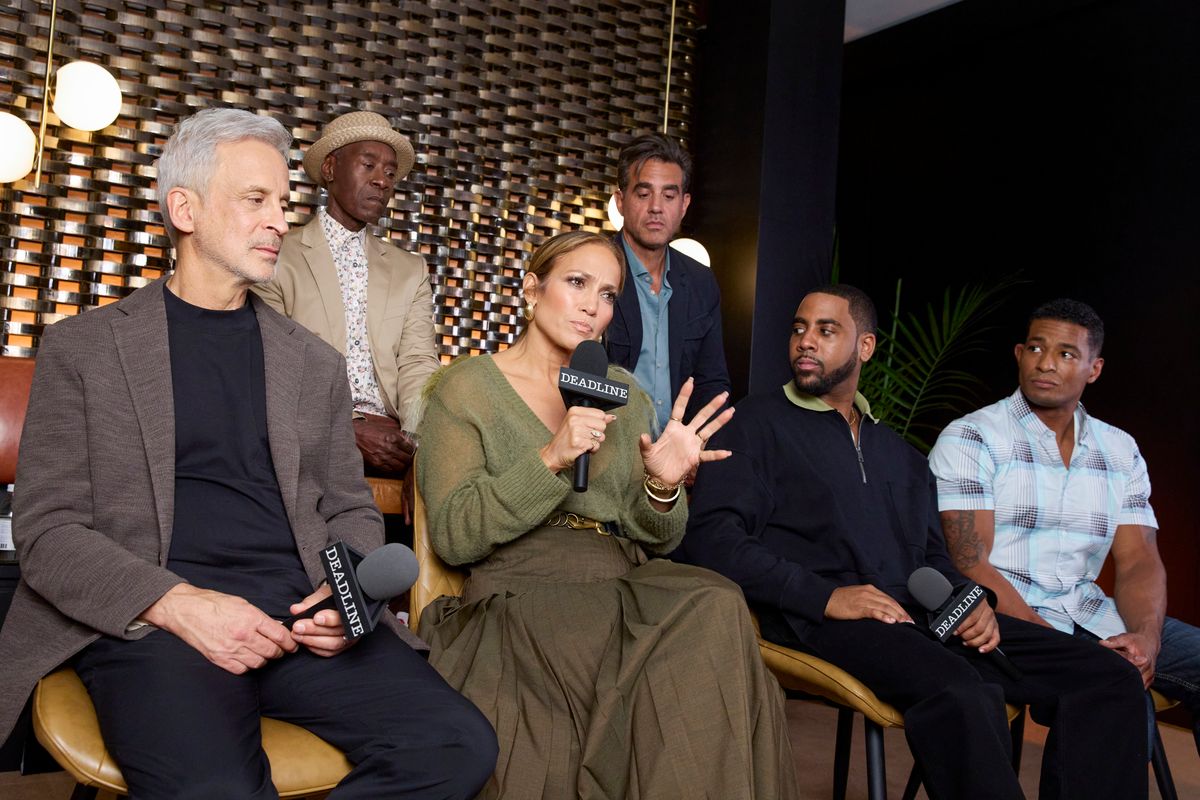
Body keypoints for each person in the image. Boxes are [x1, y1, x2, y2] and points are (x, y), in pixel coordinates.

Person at [0, 108, 496, 799]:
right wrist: (179, 604)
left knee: (459, 745)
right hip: (158, 624)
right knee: (216, 788)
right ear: (185, 209)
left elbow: (351, 509)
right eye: (255, 200)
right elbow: (48, 533)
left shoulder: (311, 363)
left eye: (283, 203)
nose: (277, 220)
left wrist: (343, 602)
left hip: (299, 619)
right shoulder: (85, 349)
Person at [677, 284, 1149, 799]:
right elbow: (713, 540)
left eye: (826, 330)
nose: (805, 342)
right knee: (966, 692)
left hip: (921, 616)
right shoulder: (750, 425)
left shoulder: (897, 454)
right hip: (818, 617)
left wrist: (972, 604)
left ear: (865, 347)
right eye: (798, 329)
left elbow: (932, 558)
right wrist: (829, 597)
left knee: (1106, 678)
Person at [415, 230, 799, 799]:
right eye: (577, 283)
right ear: (530, 289)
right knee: (617, 661)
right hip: (523, 588)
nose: (594, 305)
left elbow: (657, 537)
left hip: (620, 576)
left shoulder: (626, 393)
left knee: (718, 603)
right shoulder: (466, 389)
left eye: (610, 294)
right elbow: (453, 534)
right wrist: (551, 458)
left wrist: (664, 487)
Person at [930, 298, 1200, 754]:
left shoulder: (1120, 450)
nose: (1046, 364)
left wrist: (1146, 640)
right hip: (1004, 620)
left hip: (1090, 613)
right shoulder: (973, 437)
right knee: (1105, 682)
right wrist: (1063, 647)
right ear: (1019, 354)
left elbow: (1139, 561)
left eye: (1066, 354)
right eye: (1036, 349)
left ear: (1094, 369)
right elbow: (970, 562)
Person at [253, 110, 439, 481]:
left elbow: (419, 364)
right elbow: (269, 368)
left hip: (393, 439)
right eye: (368, 165)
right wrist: (347, 429)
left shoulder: (410, 270)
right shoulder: (274, 255)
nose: (382, 181)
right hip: (308, 434)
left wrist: (418, 448)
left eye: (389, 173)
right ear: (330, 169)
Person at [606, 133, 730, 431]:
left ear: (684, 204)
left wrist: (695, 445)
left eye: (669, 196)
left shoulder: (701, 281)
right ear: (621, 201)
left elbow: (712, 381)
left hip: (676, 457)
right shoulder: (594, 269)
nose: (657, 207)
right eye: (644, 193)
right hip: (605, 449)